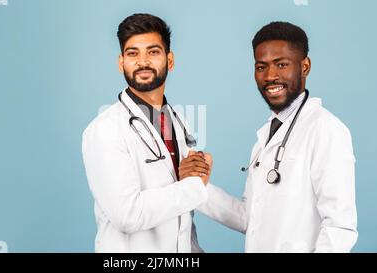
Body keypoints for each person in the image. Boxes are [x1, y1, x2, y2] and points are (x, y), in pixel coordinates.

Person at [188, 21, 358, 252]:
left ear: (305, 66)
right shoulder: (266, 137)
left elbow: (340, 227)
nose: (270, 76)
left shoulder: (326, 129)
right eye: (261, 67)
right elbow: (249, 219)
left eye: (281, 64)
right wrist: (198, 187)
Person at [82, 13, 213, 252]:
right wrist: (194, 186)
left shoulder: (176, 121)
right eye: (133, 53)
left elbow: (187, 204)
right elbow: (128, 214)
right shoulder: (105, 130)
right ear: (121, 62)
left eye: (153, 51)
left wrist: (248, 216)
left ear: (169, 60)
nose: (143, 62)